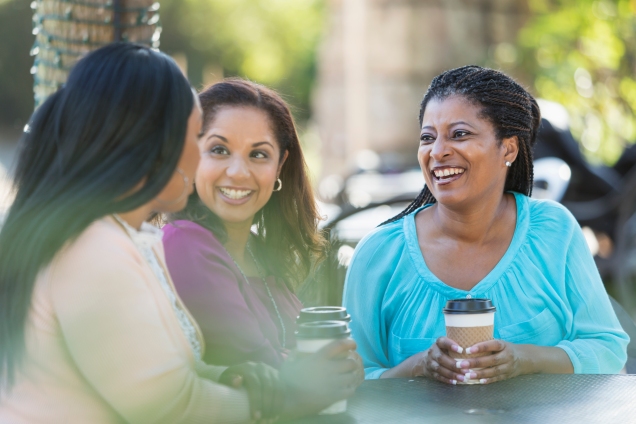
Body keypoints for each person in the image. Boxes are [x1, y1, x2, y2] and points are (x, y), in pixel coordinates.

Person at [0, 43, 287, 423]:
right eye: (196, 135)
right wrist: (289, 399)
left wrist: (228, 377)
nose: (197, 156)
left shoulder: (130, 238)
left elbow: (149, 376)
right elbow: (168, 409)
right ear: (150, 142)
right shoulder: (92, 251)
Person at [343, 65, 629, 385]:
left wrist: (525, 360)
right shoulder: (379, 254)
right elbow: (352, 382)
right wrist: (419, 366)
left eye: (460, 134)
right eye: (428, 137)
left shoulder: (554, 231)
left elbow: (608, 350)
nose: (437, 151)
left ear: (508, 147)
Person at [163, 78, 362, 412]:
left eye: (258, 154)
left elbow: (307, 369)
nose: (239, 172)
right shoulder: (185, 243)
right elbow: (264, 371)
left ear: (279, 166)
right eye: (219, 150)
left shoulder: (260, 251)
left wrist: (344, 367)